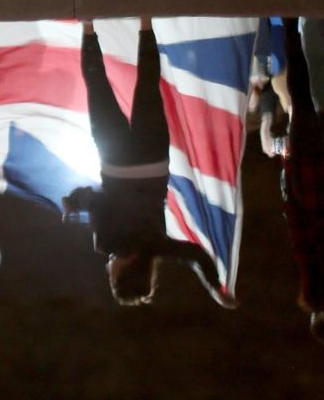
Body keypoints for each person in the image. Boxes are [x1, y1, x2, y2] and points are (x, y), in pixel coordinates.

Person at [62, 21, 237, 307]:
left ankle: (145, 20)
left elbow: (197, 256)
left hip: (152, 161)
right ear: (123, 273)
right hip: (116, 161)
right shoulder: (106, 242)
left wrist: (216, 288)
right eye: (112, 278)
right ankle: (89, 25)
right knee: (97, 86)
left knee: (148, 83)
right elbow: (96, 200)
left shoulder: (157, 246)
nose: (108, 273)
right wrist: (73, 202)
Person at [277, 19, 324, 344]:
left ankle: (312, 23)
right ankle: (292, 20)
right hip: (308, 178)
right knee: (301, 93)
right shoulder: (315, 291)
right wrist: (287, 180)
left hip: (316, 175)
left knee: (317, 93)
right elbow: (298, 233)